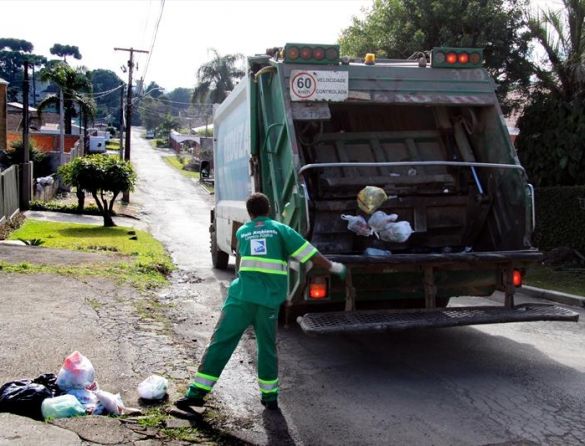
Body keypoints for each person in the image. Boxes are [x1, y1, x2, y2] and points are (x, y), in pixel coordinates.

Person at [175, 192, 346, 411]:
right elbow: (309, 253)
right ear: (268, 211)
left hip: (240, 297)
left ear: (249, 213)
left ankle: (196, 393)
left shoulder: (243, 231)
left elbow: (242, 263)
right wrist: (334, 267)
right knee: (266, 348)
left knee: (221, 342)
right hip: (267, 302)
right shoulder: (280, 230)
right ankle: (269, 398)